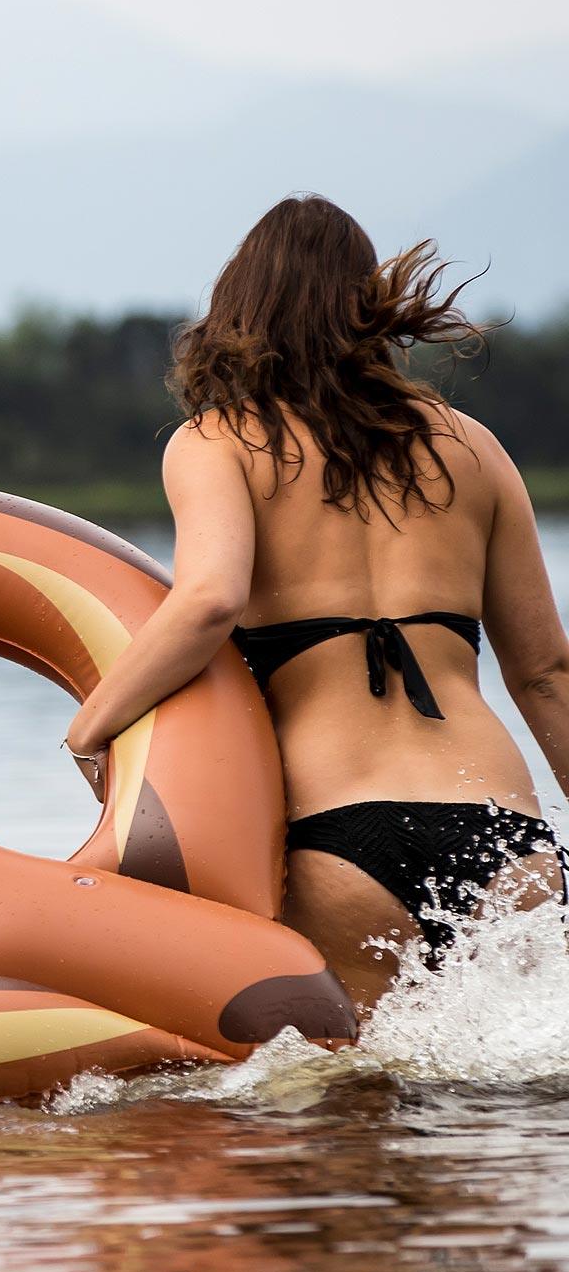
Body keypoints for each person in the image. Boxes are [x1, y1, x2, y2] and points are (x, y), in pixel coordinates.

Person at [65, 195, 569, 1011]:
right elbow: (545, 671)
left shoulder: (219, 440)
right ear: (369, 308)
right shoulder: (473, 447)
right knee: (503, 1112)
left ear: (240, 310)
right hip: (503, 833)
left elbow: (208, 601)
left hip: (343, 835)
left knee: (345, 1107)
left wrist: (90, 729)